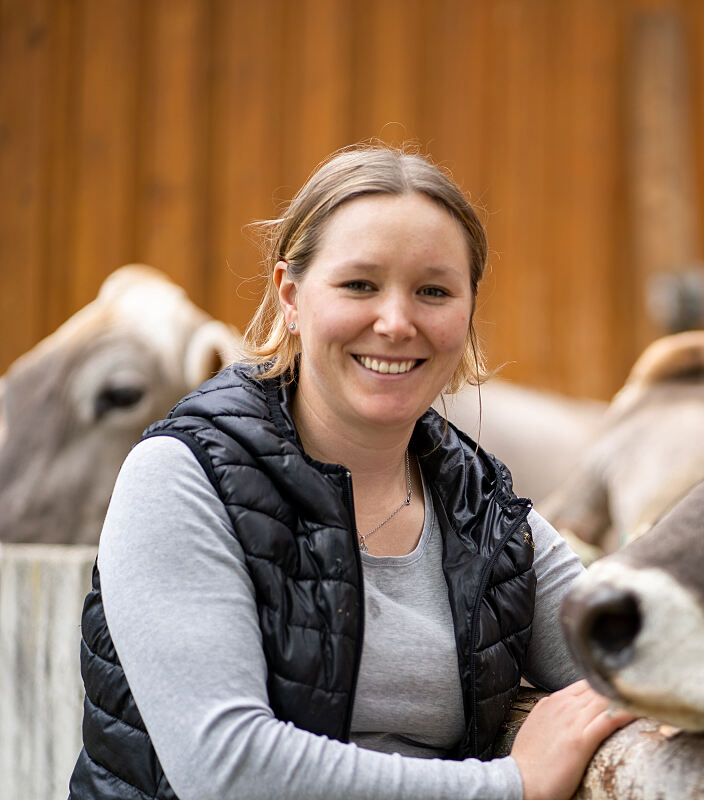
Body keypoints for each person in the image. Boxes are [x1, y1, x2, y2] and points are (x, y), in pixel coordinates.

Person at [69, 143, 632, 800]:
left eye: (433, 291)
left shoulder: (488, 517)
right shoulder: (181, 479)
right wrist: (513, 785)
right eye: (359, 284)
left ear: (469, 308)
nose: (396, 322)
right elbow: (227, 770)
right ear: (290, 296)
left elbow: (635, 663)